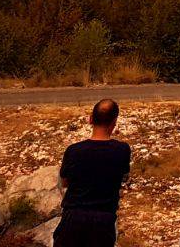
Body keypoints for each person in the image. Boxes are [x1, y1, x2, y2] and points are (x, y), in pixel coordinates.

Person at [56, 99, 131, 247]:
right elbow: (124, 176)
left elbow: (64, 182)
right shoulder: (122, 150)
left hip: (73, 218)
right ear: (114, 122)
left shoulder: (73, 151)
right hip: (103, 221)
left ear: (91, 119)